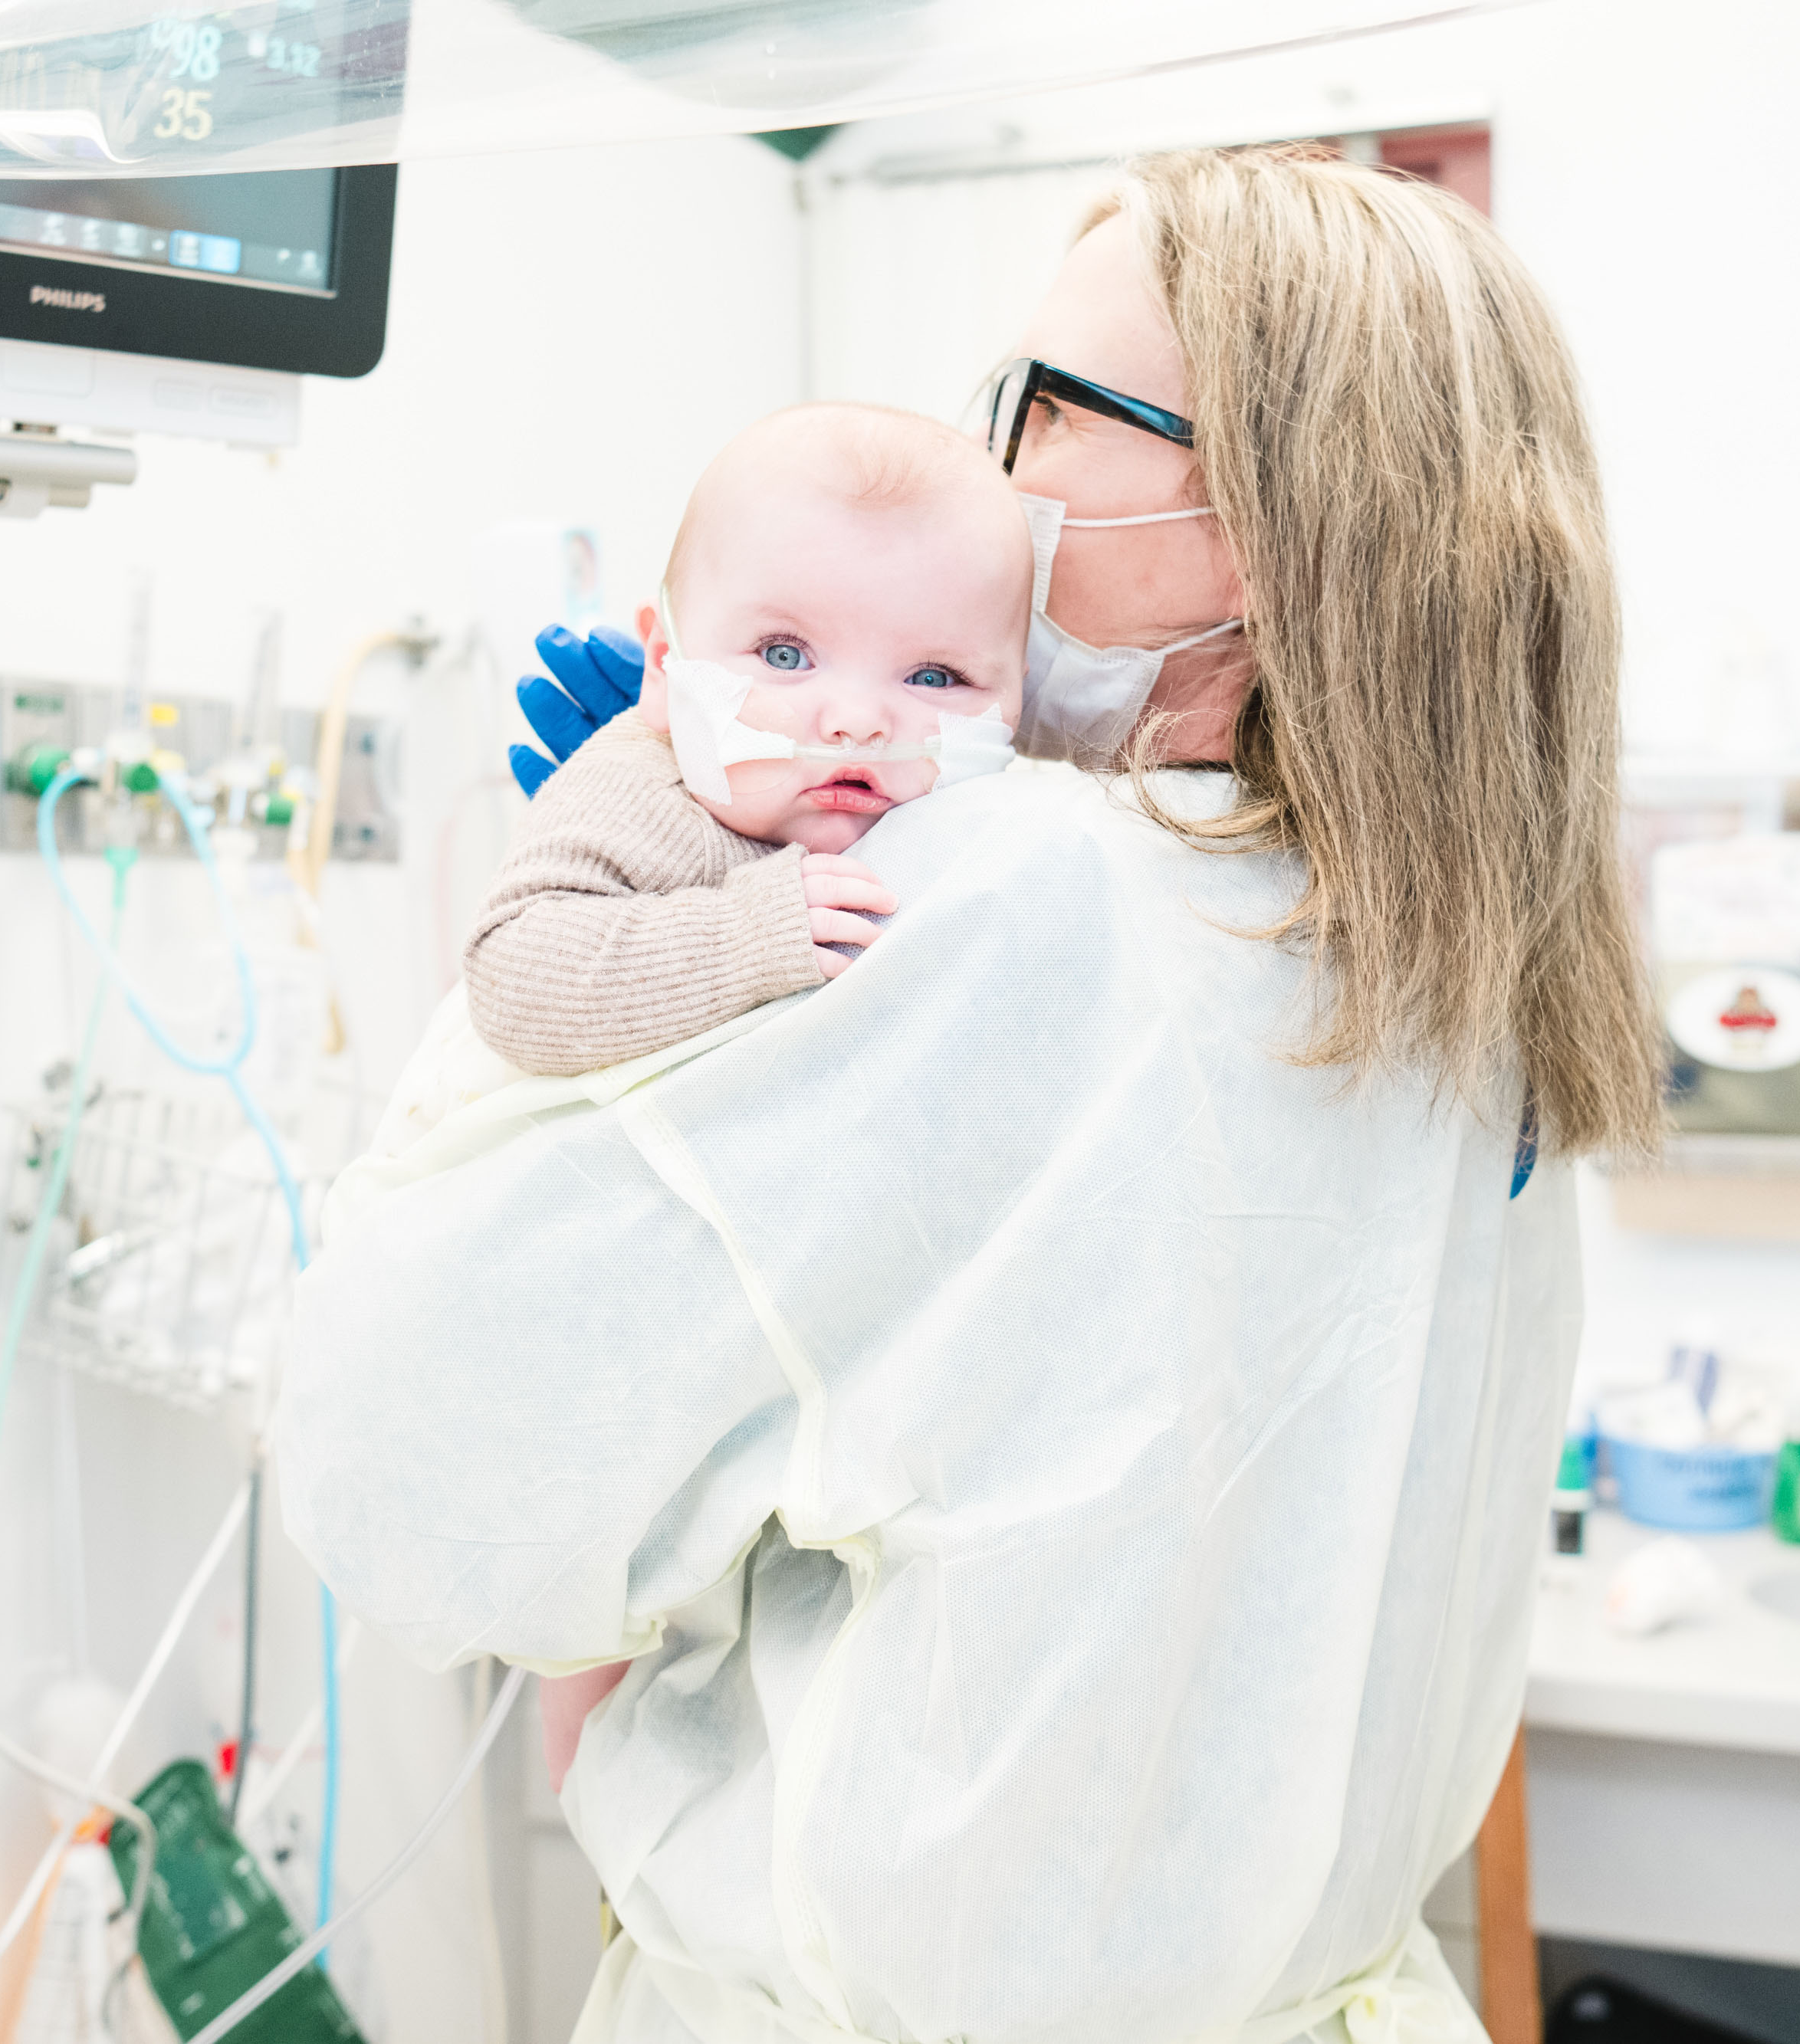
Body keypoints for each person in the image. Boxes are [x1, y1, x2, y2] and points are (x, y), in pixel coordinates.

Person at [278, 144, 1664, 2044]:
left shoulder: (1015, 905)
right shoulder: (1472, 986)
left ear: (1262, 517)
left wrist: (625, 889)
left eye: (1040, 411)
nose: (984, 475)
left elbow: (409, 1474)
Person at [466, 402, 1030, 1078]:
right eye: (785, 655)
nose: (857, 723)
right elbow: (509, 982)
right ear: (663, 665)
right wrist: (745, 935)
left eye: (934, 675)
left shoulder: (995, 827)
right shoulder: (651, 793)